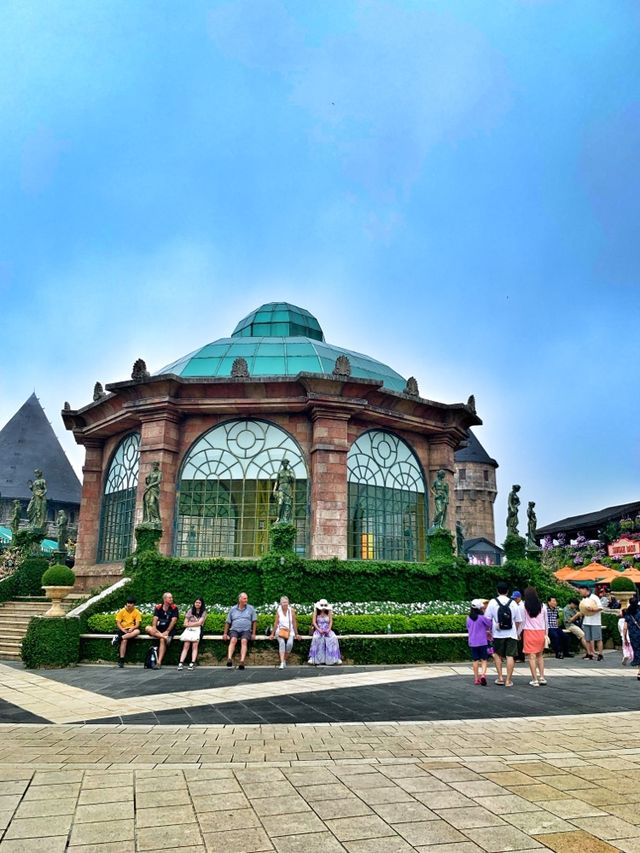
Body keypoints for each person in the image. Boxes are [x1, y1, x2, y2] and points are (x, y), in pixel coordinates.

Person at [485, 581, 522, 687]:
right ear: (508, 591)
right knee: (510, 656)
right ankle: (508, 680)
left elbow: (487, 619)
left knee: (497, 655)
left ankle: (500, 677)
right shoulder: (513, 603)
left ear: (497, 590)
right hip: (511, 634)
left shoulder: (493, 602)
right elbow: (518, 620)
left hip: (497, 634)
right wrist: (516, 631)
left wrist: (489, 631)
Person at [522, 586, 548, 687]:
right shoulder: (543, 606)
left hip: (529, 632)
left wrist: (518, 633)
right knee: (540, 656)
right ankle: (542, 677)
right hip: (541, 632)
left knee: (531, 657)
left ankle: (534, 679)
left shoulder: (524, 606)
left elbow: (522, 621)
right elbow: (546, 622)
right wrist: (546, 634)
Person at [223, 592, 257, 670]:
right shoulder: (233, 609)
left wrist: (254, 633)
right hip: (234, 630)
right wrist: (225, 633)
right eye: (245, 598)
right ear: (240, 599)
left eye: (247, 598)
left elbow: (254, 621)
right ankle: (229, 659)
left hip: (246, 630)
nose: (246, 600)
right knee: (233, 640)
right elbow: (228, 622)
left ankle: (242, 661)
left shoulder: (251, 608)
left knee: (244, 641)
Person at [144, 592, 179, 668]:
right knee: (147, 628)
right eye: (170, 598)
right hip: (159, 630)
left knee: (161, 640)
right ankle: (165, 637)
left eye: (171, 597)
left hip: (169, 630)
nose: (171, 599)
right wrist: (154, 627)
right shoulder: (158, 607)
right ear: (164, 599)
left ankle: (159, 662)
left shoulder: (174, 608)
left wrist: (167, 631)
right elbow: (155, 618)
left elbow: (174, 621)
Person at [269, 596, 300, 669]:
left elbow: (294, 623)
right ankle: (282, 663)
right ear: (280, 603)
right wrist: (272, 634)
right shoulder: (278, 610)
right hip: (280, 631)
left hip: (290, 631)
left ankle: (284, 660)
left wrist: (296, 634)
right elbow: (276, 623)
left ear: (288, 603)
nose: (285, 604)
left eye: (286, 602)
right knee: (282, 643)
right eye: (283, 602)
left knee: (289, 644)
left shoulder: (291, 610)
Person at [466, 599, 493, 685]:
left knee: (475, 660)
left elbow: (468, 627)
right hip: (482, 641)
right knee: (484, 660)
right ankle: (483, 675)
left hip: (473, 642)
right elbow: (490, 624)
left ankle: (476, 678)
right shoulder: (482, 618)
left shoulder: (468, 618)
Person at [308, 599, 342, 666]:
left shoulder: (329, 611)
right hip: (319, 630)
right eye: (322, 605)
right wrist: (319, 629)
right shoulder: (316, 612)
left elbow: (331, 621)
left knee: (333, 638)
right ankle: (313, 658)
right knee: (316, 638)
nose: (323, 607)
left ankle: (335, 658)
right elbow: (314, 622)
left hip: (327, 630)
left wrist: (329, 629)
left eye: (325, 605)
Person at [112, 597, 142, 668]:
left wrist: (132, 628)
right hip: (123, 629)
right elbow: (118, 623)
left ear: (134, 605)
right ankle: (121, 660)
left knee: (137, 631)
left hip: (131, 630)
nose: (129, 604)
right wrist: (123, 629)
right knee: (124, 641)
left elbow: (137, 624)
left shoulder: (136, 612)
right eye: (128, 603)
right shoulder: (122, 611)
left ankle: (118, 638)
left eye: (131, 603)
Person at [178, 597, 207, 671]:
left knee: (195, 645)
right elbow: (185, 623)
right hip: (189, 630)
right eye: (196, 602)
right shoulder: (190, 611)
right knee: (186, 645)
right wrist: (193, 624)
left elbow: (200, 623)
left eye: (199, 603)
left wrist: (190, 623)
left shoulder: (203, 612)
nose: (197, 604)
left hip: (198, 631)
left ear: (202, 604)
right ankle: (181, 662)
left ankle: (192, 662)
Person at [579, 584, 604, 661]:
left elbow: (600, 607)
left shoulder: (594, 597)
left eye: (581, 591)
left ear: (586, 589)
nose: (580, 592)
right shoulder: (583, 599)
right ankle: (589, 653)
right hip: (587, 621)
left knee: (598, 639)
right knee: (587, 639)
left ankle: (600, 654)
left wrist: (593, 610)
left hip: (595, 622)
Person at [623, 596, 640, 680]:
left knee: (637, 652)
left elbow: (625, 627)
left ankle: (639, 672)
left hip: (633, 636)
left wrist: (625, 638)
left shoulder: (628, 613)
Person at [511, 591, 526, 662]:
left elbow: (522, 619)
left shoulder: (522, 606)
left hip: (521, 626)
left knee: (520, 643)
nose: (514, 600)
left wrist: (518, 631)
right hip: (515, 626)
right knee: (516, 643)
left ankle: (520, 657)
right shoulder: (514, 604)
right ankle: (516, 657)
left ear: (519, 598)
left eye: (516, 598)